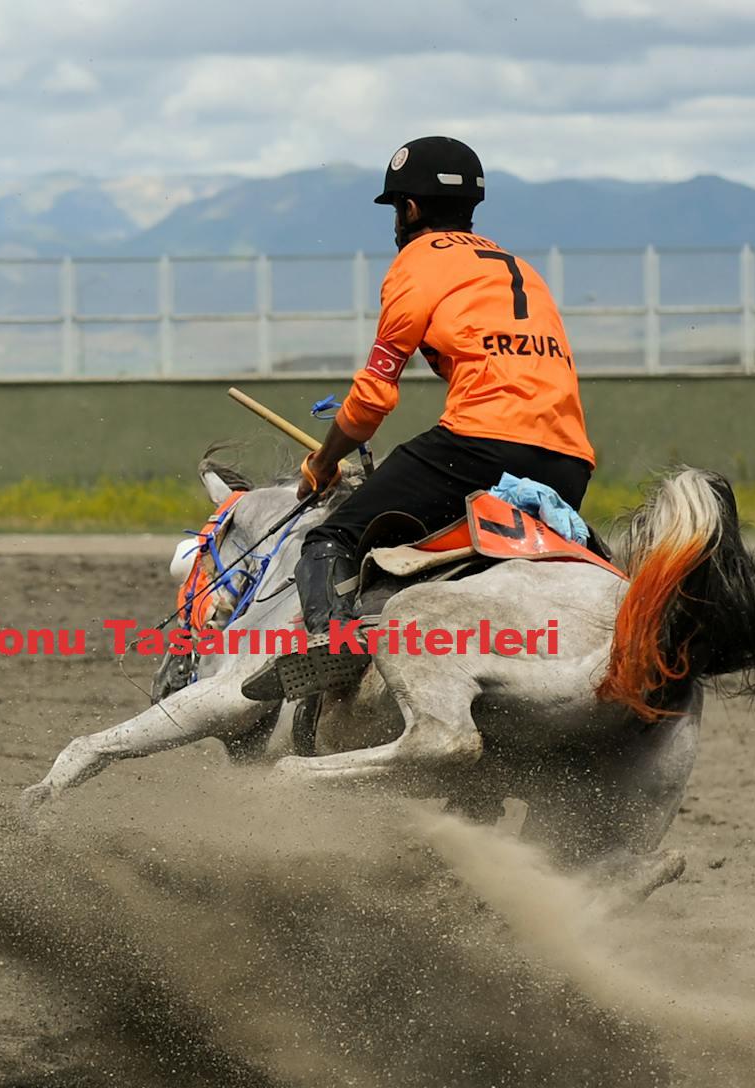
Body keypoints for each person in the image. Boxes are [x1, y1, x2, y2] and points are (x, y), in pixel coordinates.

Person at [243, 136, 596, 703]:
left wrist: (322, 463)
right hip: (569, 462)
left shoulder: (417, 262)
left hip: (479, 448)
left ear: (408, 209)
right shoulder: (521, 267)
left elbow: (373, 398)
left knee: (330, 537)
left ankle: (331, 649)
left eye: (395, 210)